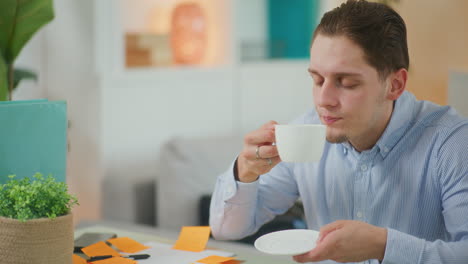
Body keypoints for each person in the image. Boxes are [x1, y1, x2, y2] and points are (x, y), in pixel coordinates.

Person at [209, 0, 468, 263]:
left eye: (346, 83)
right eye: (317, 79)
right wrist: (246, 172)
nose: (324, 100)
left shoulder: (452, 144)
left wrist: (384, 245)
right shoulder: (305, 132)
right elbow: (226, 229)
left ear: (395, 85)